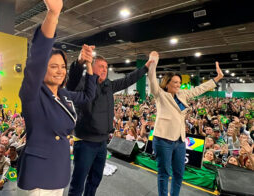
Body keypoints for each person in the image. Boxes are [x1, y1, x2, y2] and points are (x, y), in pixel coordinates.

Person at [16, 0, 97, 195]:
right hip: (38, 174)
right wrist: (53, 15)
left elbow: (89, 95)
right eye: (53, 67)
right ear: (42, 71)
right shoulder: (32, 94)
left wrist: (88, 65)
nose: (60, 70)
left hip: (59, 169)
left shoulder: (64, 95)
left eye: (62, 66)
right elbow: (37, 59)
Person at [67, 50, 152, 195]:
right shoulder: (82, 84)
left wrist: (146, 67)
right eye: (101, 66)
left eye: (106, 67)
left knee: (95, 179)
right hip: (85, 142)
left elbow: (128, 80)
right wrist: (80, 62)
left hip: (102, 143)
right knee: (78, 182)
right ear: (91, 67)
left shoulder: (108, 86)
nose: (104, 70)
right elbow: (71, 82)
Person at [147, 51, 224, 196]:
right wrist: (153, 63)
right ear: (167, 83)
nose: (178, 85)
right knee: (164, 173)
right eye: (175, 82)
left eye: (179, 82)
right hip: (163, 139)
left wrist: (217, 78)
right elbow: (151, 80)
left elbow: (199, 89)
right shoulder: (160, 95)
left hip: (180, 141)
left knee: (179, 173)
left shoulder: (182, 94)